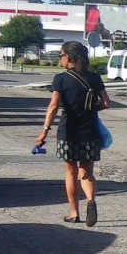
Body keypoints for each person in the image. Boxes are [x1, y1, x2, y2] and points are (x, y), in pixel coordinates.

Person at [34, 41, 111, 226]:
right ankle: (91, 199)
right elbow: (107, 103)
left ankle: (74, 212)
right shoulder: (94, 78)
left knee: (71, 173)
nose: (60, 59)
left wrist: (44, 131)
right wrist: (91, 110)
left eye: (61, 55)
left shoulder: (61, 79)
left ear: (67, 57)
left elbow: (53, 107)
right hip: (90, 131)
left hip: (68, 132)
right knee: (87, 173)